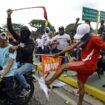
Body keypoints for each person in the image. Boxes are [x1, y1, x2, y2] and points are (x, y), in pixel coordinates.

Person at [39, 23, 105, 105]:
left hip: (88, 65)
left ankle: (48, 83)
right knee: (80, 85)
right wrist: (59, 53)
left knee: (64, 66)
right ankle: (79, 103)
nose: (80, 37)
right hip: (84, 64)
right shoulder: (84, 38)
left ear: (87, 34)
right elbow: (72, 46)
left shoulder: (95, 39)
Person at [7, 9, 34, 94]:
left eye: (26, 32)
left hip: (27, 64)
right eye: (23, 32)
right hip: (19, 62)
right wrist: (9, 16)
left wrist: (18, 47)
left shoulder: (30, 41)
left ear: (29, 33)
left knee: (17, 73)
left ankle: (27, 87)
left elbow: (29, 51)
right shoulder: (19, 39)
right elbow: (10, 29)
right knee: (7, 69)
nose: (25, 34)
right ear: (21, 33)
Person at [0, 32, 17, 103]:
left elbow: (9, 64)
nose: (2, 43)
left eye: (4, 41)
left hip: (10, 71)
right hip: (2, 69)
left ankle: (13, 101)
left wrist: (1, 76)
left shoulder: (11, 48)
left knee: (10, 91)